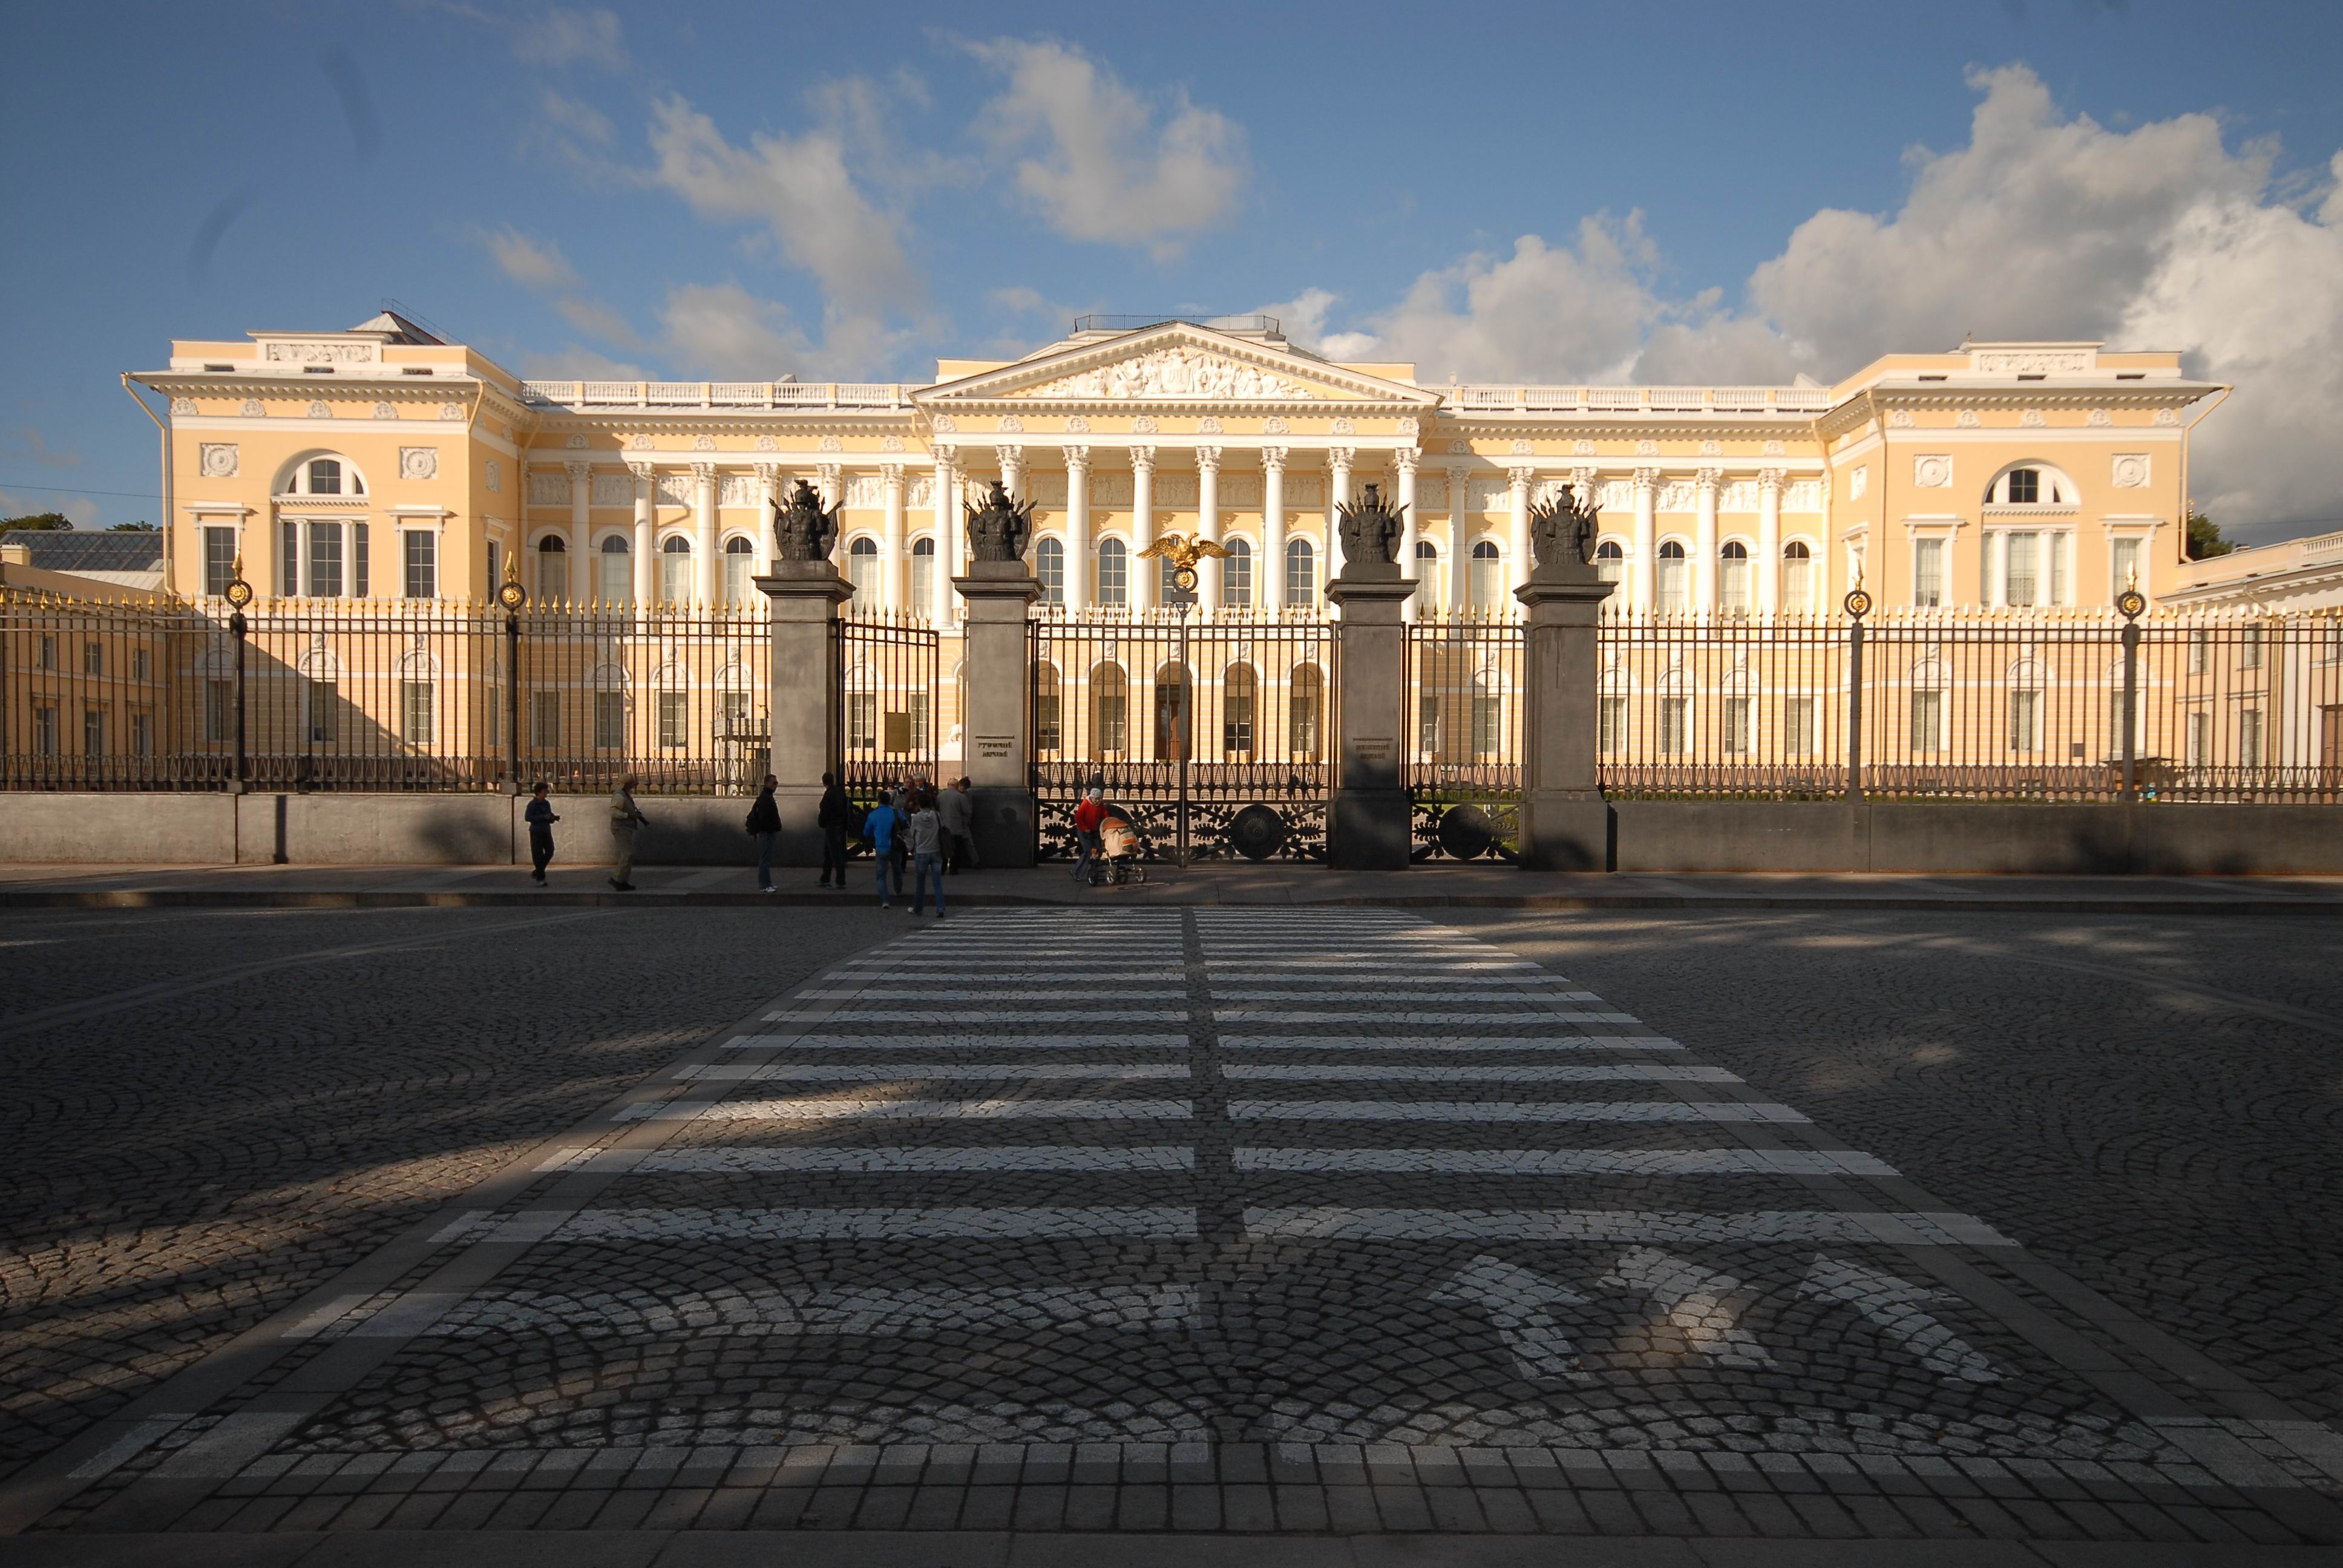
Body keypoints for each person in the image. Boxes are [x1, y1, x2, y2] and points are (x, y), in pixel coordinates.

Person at [907, 791, 946, 918]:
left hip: (922, 851)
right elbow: (943, 828)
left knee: (920, 883)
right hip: (936, 850)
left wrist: (910, 848)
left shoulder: (916, 818)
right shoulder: (937, 816)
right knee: (937, 882)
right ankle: (940, 908)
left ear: (919, 804)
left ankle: (918, 909)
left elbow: (912, 835)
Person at [862, 789, 902, 909]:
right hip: (895, 847)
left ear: (879, 801)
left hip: (881, 847)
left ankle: (885, 900)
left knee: (881, 876)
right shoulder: (897, 813)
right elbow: (906, 827)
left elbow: (866, 832)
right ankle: (898, 890)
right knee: (897, 869)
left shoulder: (873, 815)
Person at [608, 776, 647, 891]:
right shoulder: (619, 796)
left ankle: (623, 881)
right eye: (632, 783)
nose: (635, 785)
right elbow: (613, 812)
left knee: (628, 854)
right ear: (627, 784)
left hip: (627, 828)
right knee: (628, 854)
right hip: (621, 828)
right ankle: (617, 879)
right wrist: (629, 816)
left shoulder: (626, 795)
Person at [746, 773, 781, 893]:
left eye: (777, 783)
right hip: (766, 833)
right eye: (774, 783)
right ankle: (764, 885)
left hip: (768, 832)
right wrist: (771, 828)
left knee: (766, 859)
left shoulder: (767, 796)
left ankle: (767, 884)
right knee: (765, 860)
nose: (776, 785)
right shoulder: (766, 798)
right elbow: (764, 818)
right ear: (767, 783)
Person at [816, 771, 852, 889]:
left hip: (831, 826)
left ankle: (839, 880)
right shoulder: (839, 792)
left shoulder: (829, 794)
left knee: (834, 854)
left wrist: (821, 823)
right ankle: (825, 878)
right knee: (829, 853)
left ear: (823, 782)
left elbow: (824, 811)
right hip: (839, 825)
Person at [938, 776, 977, 875]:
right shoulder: (961, 797)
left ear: (948, 785)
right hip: (957, 827)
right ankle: (953, 869)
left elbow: (936, 809)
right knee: (955, 850)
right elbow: (967, 811)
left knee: (944, 849)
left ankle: (942, 868)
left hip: (943, 827)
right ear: (956, 786)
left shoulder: (940, 796)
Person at [524, 783, 559, 886]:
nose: (546, 793)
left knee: (550, 851)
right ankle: (541, 878)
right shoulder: (532, 804)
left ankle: (538, 871)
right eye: (545, 791)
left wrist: (553, 818)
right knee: (538, 854)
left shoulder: (547, 804)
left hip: (546, 830)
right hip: (536, 831)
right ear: (539, 792)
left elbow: (549, 815)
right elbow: (528, 818)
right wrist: (543, 817)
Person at [1072, 784, 1105, 885]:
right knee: (1087, 851)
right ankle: (1077, 873)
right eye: (1096, 799)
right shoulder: (1086, 804)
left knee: (1098, 851)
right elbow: (1078, 818)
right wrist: (1085, 829)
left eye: (1099, 799)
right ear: (1092, 797)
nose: (1098, 801)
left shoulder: (1100, 804)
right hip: (1084, 831)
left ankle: (1096, 872)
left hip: (1094, 831)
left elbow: (1105, 814)